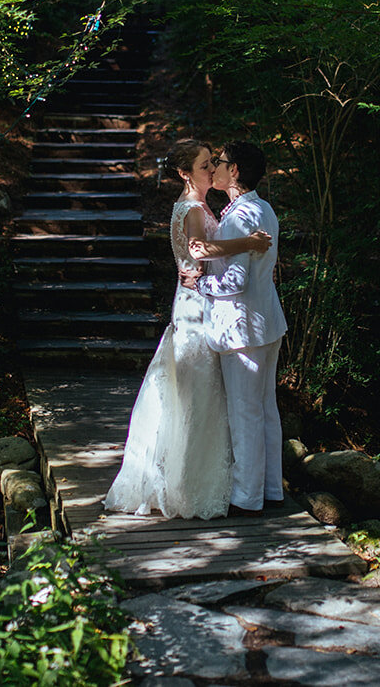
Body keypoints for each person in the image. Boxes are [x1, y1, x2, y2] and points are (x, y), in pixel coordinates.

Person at [104, 139, 270, 519]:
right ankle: (188, 484)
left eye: (213, 163)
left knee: (197, 395)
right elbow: (196, 249)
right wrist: (249, 242)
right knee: (197, 394)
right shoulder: (193, 208)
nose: (213, 169)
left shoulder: (194, 205)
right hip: (196, 306)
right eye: (204, 165)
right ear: (184, 174)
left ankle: (196, 478)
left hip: (194, 300)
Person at [187, 141, 287, 517]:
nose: (216, 168)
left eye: (222, 162)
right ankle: (272, 488)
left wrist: (199, 284)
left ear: (237, 172)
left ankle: (247, 496)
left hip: (243, 327)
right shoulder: (263, 208)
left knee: (245, 411)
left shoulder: (238, 217)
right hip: (268, 322)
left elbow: (234, 282)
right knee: (265, 409)